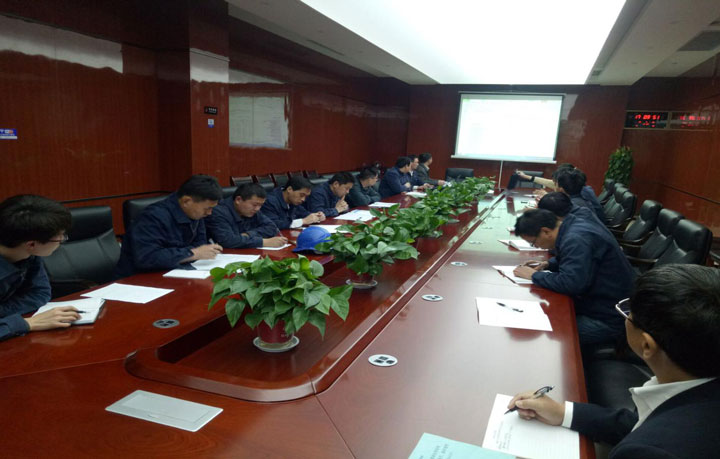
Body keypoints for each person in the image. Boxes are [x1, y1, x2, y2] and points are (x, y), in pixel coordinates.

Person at [507, 264, 720, 458]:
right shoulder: (694, 387)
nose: (625, 316)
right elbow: (638, 423)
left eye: (629, 312)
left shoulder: (652, 451)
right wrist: (563, 413)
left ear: (646, 345)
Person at [513, 208, 634, 345]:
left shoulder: (576, 239)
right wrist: (548, 264)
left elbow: (571, 284)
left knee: (549, 332)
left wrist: (534, 276)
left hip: (609, 318)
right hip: (599, 304)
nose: (536, 247)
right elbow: (575, 259)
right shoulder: (573, 226)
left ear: (545, 231)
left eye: (533, 242)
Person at [0, 195, 81, 341]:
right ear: (31, 244)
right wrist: (26, 323)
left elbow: (40, 293)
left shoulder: (28, 253)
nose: (62, 240)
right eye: (60, 237)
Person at [115, 175, 224, 278]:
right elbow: (147, 257)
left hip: (176, 272)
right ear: (186, 201)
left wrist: (200, 251)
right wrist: (192, 253)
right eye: (207, 208)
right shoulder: (152, 217)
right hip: (139, 279)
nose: (209, 213)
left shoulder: (195, 213)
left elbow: (199, 244)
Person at [205, 183, 287, 249]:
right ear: (238, 200)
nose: (257, 209)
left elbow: (272, 227)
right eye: (255, 205)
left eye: (260, 205)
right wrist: (263, 242)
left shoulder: (253, 210)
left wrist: (248, 235)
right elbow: (228, 241)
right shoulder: (218, 212)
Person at [261, 175, 325, 229]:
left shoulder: (293, 200)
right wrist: (303, 221)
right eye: (301, 195)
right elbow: (273, 224)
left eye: (306, 196)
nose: (303, 199)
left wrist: (316, 216)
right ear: (289, 189)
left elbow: (303, 213)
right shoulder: (270, 201)